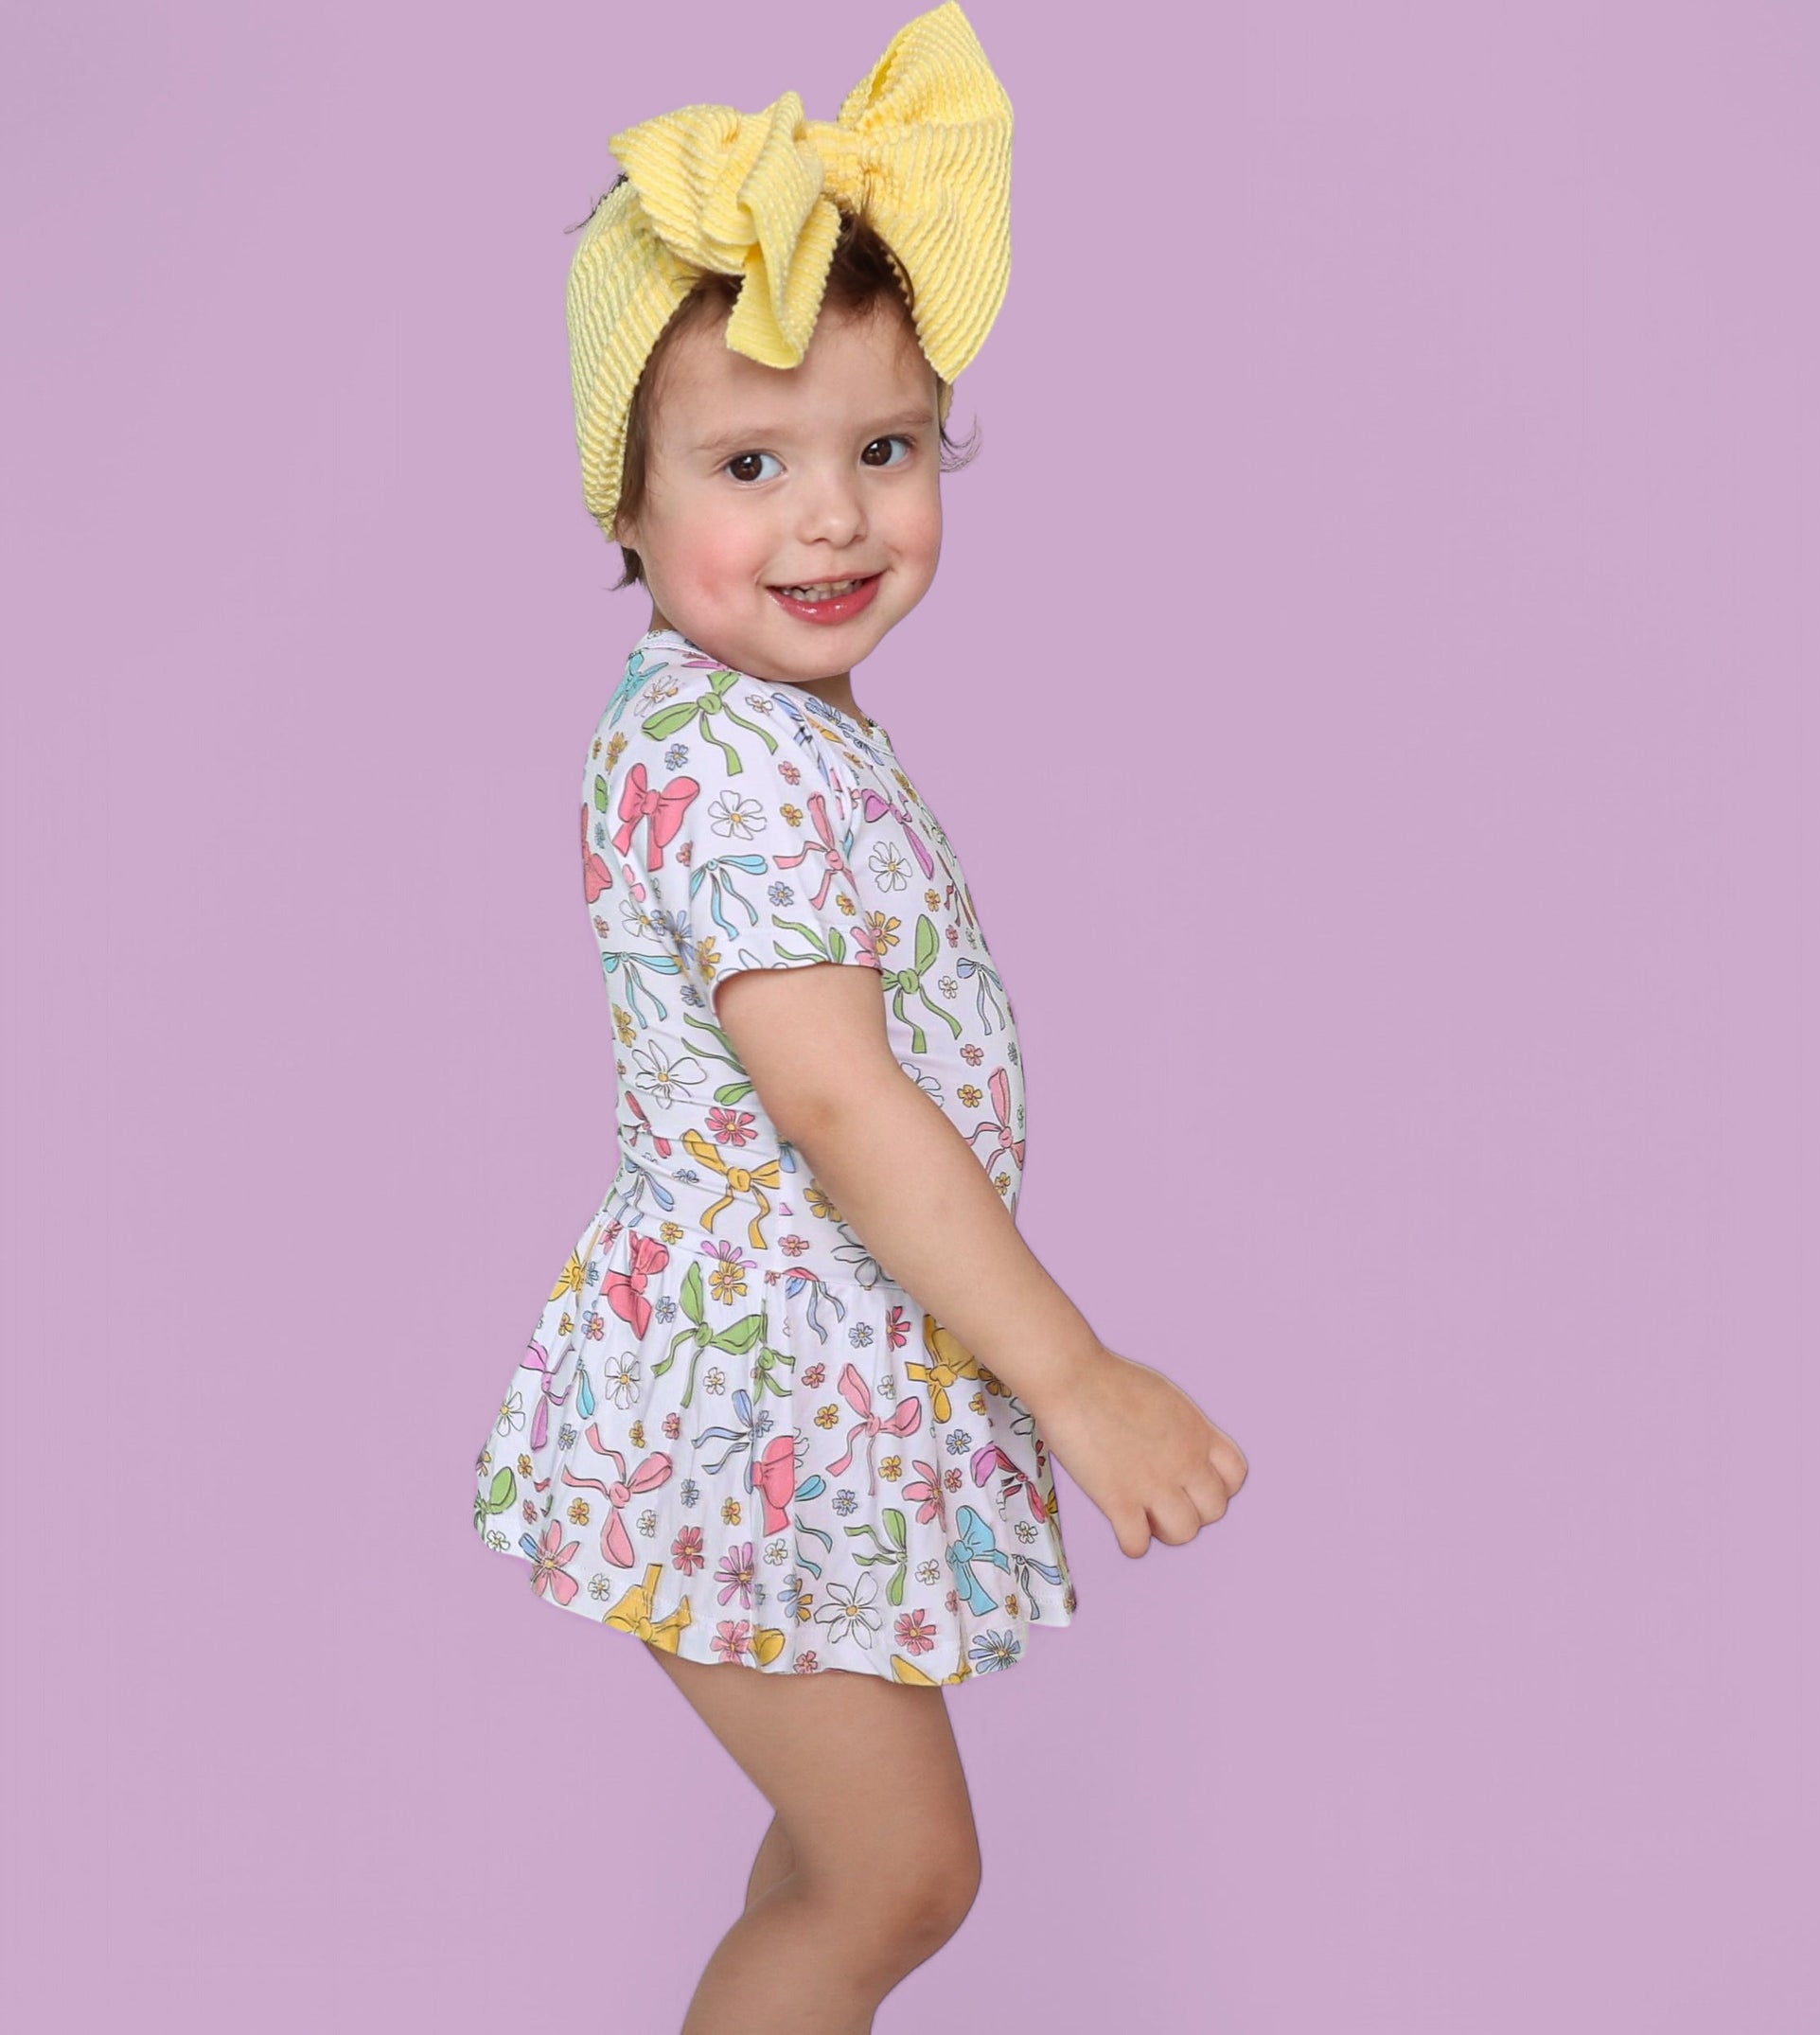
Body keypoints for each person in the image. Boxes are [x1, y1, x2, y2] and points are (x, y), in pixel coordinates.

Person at [470, 6, 1249, 2027]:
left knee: (844, 1864)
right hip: (744, 1400)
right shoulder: (734, 759)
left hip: (804, 1385)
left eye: (883, 450)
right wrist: (1072, 1377)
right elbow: (836, 1101)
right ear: (620, 504)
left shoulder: (761, 721)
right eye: (751, 463)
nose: (832, 516)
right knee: (900, 1872)